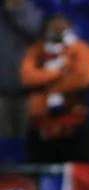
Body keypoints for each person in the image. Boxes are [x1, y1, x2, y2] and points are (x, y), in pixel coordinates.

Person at [20, 13, 89, 162]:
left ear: (70, 26)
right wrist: (58, 72)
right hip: (41, 124)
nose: (58, 29)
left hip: (73, 123)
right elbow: (28, 77)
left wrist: (51, 87)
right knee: (40, 170)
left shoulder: (81, 49)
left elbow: (83, 78)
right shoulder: (37, 50)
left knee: (74, 169)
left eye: (62, 25)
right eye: (54, 25)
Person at [0, 0, 43, 140]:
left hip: (27, 93)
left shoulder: (31, 10)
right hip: (2, 93)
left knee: (25, 144)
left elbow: (35, 31)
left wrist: (16, 9)